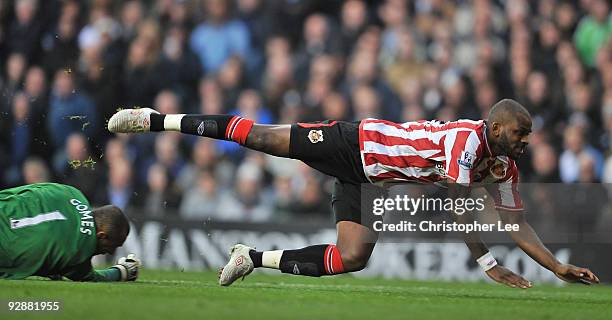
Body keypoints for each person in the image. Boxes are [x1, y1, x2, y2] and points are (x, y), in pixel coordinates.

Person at [108, 98, 599, 288]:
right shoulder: (466, 142)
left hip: (371, 180)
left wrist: (556, 266)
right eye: (520, 133)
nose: (526, 141)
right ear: (495, 127)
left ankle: (252, 257)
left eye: (528, 135)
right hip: (355, 142)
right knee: (260, 137)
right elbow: (456, 204)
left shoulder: (504, 166)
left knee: (354, 256)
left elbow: (514, 220)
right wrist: (488, 264)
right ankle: (157, 120)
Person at [0, 183, 141, 281]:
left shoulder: (70, 191)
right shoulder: (79, 252)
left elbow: (25, 190)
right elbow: (95, 278)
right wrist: (123, 271)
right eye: (113, 246)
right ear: (101, 235)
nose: (110, 252)